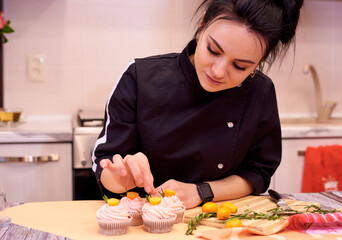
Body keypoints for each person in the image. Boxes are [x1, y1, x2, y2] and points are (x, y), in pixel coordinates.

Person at [92, 0, 304, 209]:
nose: (218, 72)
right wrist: (122, 175)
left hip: (220, 222)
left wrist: (201, 192)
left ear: (260, 61)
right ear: (202, 24)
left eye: (240, 66)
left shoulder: (260, 92)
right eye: (213, 50)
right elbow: (105, 162)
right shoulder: (140, 77)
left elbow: (257, 173)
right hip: (144, 222)